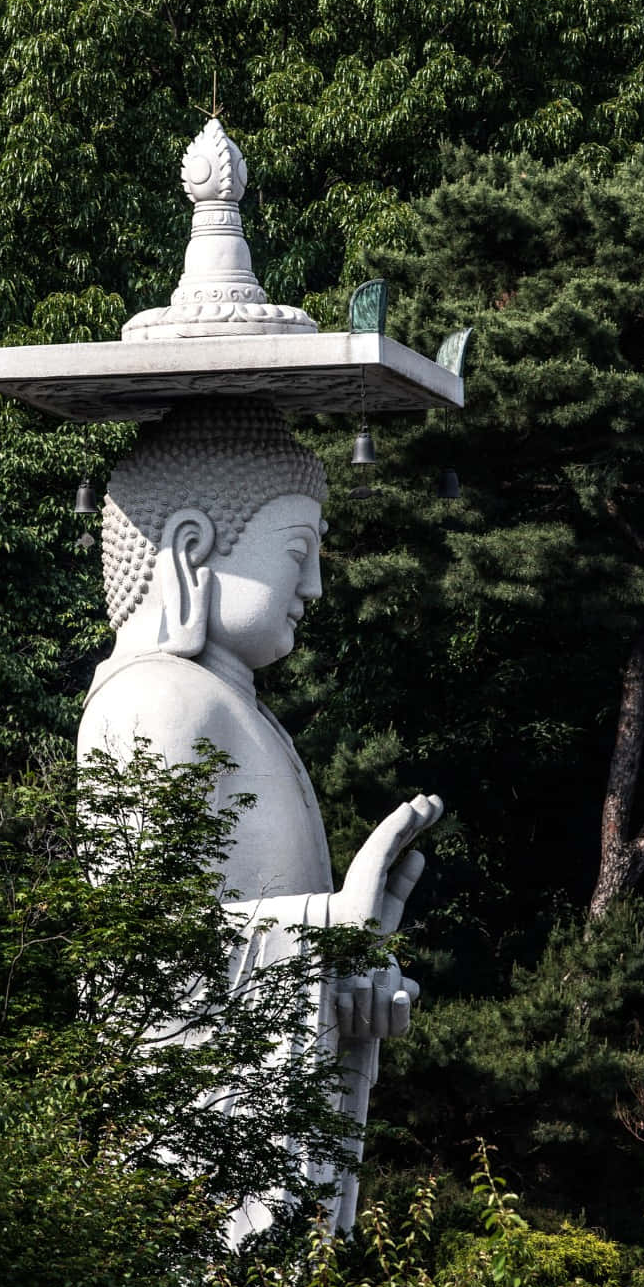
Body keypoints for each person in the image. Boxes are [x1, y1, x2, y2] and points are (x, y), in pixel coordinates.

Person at [78, 396, 442, 1236]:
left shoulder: (231, 706)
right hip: (184, 1170)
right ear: (193, 549)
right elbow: (143, 965)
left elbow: (235, 930)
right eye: (297, 553)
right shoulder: (157, 702)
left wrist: (346, 975)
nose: (314, 586)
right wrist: (321, 931)